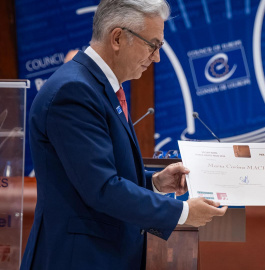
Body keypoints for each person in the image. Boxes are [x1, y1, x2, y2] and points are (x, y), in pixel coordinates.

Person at [21, 1, 227, 269]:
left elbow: (97, 174)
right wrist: (184, 212)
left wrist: (154, 182)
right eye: (152, 45)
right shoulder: (74, 91)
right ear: (117, 38)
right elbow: (102, 189)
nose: (156, 57)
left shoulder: (94, 85)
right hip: (78, 258)